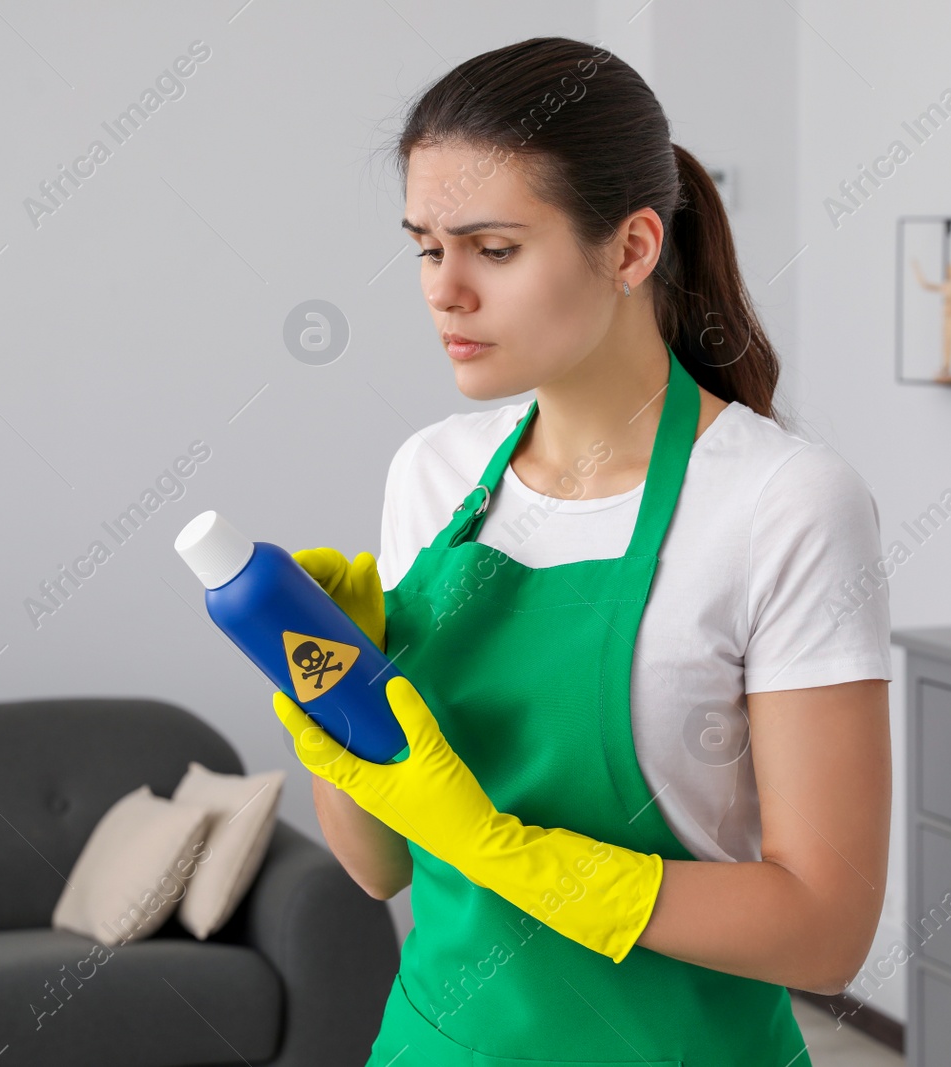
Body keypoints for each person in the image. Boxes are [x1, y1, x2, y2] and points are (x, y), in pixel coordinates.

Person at [273, 35, 892, 1066]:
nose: (444, 289)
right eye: (427, 246)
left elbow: (826, 931)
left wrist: (505, 851)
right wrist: (324, 690)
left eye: (494, 249)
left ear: (632, 248)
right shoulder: (429, 474)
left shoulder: (783, 501)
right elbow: (378, 864)